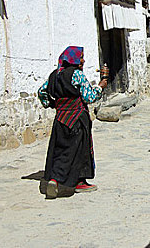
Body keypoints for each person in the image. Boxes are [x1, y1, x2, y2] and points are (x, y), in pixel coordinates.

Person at [38, 46, 107, 199]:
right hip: (77, 118)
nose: (83, 60)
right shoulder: (77, 75)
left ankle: (56, 179)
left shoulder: (54, 76)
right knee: (80, 150)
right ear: (74, 59)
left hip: (61, 119)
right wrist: (100, 87)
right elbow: (89, 97)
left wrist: (52, 104)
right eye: (81, 57)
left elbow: (42, 92)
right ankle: (77, 182)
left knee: (61, 149)